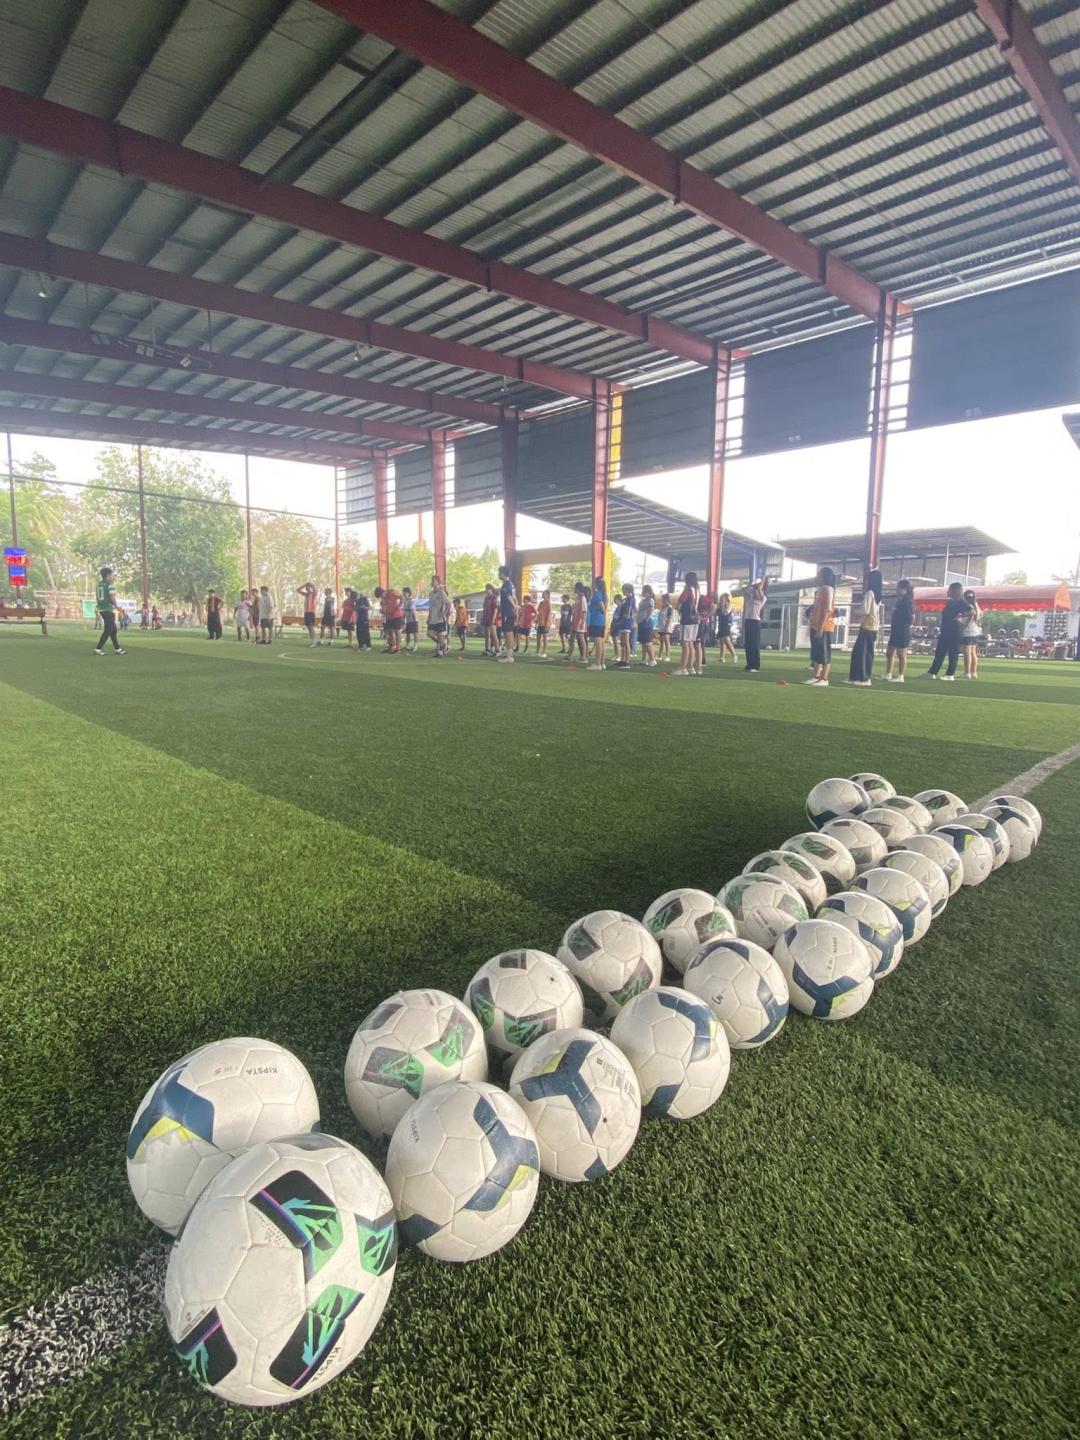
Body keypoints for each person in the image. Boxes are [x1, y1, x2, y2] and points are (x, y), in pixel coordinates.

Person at [847, 569, 882, 687]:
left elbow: (865, 610)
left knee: (863, 653)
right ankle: (855, 677)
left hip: (868, 626)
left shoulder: (870, 593)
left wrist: (856, 611)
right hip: (872, 626)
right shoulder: (877, 595)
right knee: (860, 652)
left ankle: (864, 678)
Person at [925, 581, 965, 681]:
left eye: (950, 590)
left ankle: (950, 674)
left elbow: (972, 612)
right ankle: (932, 672)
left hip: (955, 632)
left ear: (955, 591)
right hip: (945, 631)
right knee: (940, 652)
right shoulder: (950, 602)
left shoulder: (962, 602)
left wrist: (961, 619)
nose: (948, 591)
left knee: (953, 653)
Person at [805, 566, 836, 686]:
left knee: (824, 652)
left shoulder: (828, 589)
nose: (816, 577)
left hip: (824, 627)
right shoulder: (820, 590)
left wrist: (821, 628)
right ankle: (816, 676)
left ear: (823, 577)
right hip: (816, 625)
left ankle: (824, 679)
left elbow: (827, 610)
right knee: (816, 652)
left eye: (818, 575)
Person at [92, 565, 125, 656]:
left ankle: (117, 649)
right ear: (108, 575)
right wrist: (117, 607)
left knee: (113, 630)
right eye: (112, 575)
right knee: (109, 630)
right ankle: (98, 649)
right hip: (108, 609)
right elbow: (112, 598)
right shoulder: (110, 585)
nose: (113, 576)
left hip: (101, 608)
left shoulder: (99, 585)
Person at [884, 579, 913, 682]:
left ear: (905, 589)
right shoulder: (899, 600)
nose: (896, 590)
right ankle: (888, 674)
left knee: (901, 654)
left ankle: (901, 676)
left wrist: (906, 625)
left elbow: (911, 617)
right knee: (889, 652)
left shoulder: (908, 601)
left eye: (898, 588)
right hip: (895, 629)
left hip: (902, 630)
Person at [673, 572, 700, 676]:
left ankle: (682, 667)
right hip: (695, 619)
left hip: (687, 619)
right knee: (690, 643)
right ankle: (690, 667)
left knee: (685, 644)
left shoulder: (687, 591)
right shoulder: (697, 590)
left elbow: (678, 606)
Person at [740, 577, 767, 672]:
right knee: (748, 644)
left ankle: (755, 666)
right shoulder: (749, 598)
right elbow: (743, 589)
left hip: (755, 621)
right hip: (748, 620)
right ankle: (749, 664)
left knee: (754, 644)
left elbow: (760, 591)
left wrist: (759, 587)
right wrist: (752, 585)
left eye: (755, 591)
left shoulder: (762, 599)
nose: (754, 592)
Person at [496, 565, 518, 662]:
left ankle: (509, 656)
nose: (498, 574)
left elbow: (509, 597)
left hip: (507, 611)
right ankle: (510, 654)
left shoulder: (506, 585)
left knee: (507, 632)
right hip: (510, 611)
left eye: (499, 573)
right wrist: (516, 608)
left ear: (503, 574)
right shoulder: (511, 584)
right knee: (510, 632)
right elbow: (514, 597)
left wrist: (514, 606)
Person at [587, 575, 608, 670]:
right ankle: (602, 663)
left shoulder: (597, 594)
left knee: (598, 643)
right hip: (601, 621)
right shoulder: (604, 595)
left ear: (596, 584)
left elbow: (603, 608)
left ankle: (597, 663)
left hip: (596, 620)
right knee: (601, 643)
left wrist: (599, 609)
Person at [960, 589, 982, 679]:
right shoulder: (976, 605)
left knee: (967, 653)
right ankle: (974, 672)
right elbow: (980, 615)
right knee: (973, 653)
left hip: (967, 631)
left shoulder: (968, 606)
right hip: (975, 631)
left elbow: (971, 615)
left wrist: (964, 624)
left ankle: (967, 672)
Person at [612, 583, 635, 668]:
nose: (623, 591)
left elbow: (629, 608)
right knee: (622, 642)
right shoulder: (625, 599)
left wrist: (627, 615)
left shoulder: (630, 598)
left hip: (626, 622)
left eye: (624, 590)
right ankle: (622, 659)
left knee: (626, 642)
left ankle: (627, 661)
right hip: (622, 621)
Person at [375, 585, 403, 653]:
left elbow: (401, 597)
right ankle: (391, 647)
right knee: (389, 631)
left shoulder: (391, 592)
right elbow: (384, 606)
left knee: (397, 631)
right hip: (388, 616)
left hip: (396, 615)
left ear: (382, 592)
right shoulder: (383, 599)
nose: (381, 598)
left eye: (381, 596)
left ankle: (398, 649)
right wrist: (383, 610)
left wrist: (398, 606)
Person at [428, 575, 451, 656]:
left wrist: (443, 613)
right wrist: (429, 617)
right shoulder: (430, 593)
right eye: (432, 580)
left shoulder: (441, 592)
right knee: (430, 634)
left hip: (440, 618)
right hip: (433, 618)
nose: (432, 582)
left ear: (438, 582)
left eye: (434, 580)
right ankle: (442, 643)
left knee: (440, 635)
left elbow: (448, 604)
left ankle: (440, 652)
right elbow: (430, 606)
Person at [636, 584, 656, 666]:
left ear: (649, 592)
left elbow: (651, 609)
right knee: (643, 642)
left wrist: (647, 617)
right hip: (641, 622)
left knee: (647, 642)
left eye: (644, 591)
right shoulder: (643, 600)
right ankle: (644, 659)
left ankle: (652, 660)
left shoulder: (650, 600)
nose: (643, 593)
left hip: (646, 623)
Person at [696, 591, 716, 670]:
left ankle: (701, 661)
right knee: (697, 643)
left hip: (702, 624)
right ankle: (699, 660)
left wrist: (706, 616)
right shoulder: (695, 598)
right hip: (697, 623)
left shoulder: (702, 598)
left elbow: (713, 606)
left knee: (699, 643)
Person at [570, 582, 588, 662]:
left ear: (578, 589)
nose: (574, 589)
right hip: (575, 620)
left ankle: (584, 657)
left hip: (580, 621)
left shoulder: (583, 598)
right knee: (572, 638)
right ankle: (570, 654)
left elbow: (584, 611)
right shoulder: (578, 598)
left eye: (575, 588)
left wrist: (582, 622)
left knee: (581, 638)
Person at [716, 593, 736, 662]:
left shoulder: (728, 605)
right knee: (722, 641)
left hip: (726, 623)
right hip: (721, 623)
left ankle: (734, 655)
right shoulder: (719, 605)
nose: (721, 599)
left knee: (726, 640)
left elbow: (725, 613)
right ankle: (722, 657)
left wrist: (722, 605)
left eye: (723, 598)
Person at [297, 581, 318, 647]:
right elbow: (297, 590)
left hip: (311, 613)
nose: (307, 589)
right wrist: (304, 585)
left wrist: (312, 585)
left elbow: (315, 589)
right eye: (306, 588)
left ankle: (314, 642)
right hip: (306, 613)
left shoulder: (313, 594)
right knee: (309, 628)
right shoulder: (306, 594)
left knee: (311, 627)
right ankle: (312, 641)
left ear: (310, 588)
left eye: (308, 588)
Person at [656, 593, 674, 664]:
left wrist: (666, 627)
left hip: (666, 627)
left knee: (667, 641)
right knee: (661, 642)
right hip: (661, 627)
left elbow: (669, 618)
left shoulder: (669, 608)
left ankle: (667, 656)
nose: (662, 600)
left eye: (664, 599)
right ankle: (659, 655)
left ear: (667, 599)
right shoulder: (662, 607)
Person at [480, 583, 498, 656]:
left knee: (493, 634)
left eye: (487, 589)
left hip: (492, 617)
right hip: (486, 617)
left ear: (491, 589)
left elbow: (496, 609)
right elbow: (484, 608)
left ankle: (497, 650)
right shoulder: (486, 598)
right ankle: (487, 649)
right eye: (486, 589)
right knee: (487, 634)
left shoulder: (494, 597)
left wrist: (493, 618)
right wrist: (483, 617)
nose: (486, 590)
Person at [535, 590, 552, 658]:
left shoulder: (548, 603)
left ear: (547, 595)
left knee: (545, 637)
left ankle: (544, 652)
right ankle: (537, 651)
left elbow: (549, 614)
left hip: (545, 623)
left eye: (544, 593)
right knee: (538, 637)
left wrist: (547, 624)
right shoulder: (541, 603)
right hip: (540, 623)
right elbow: (538, 613)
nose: (542, 594)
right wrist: (536, 622)